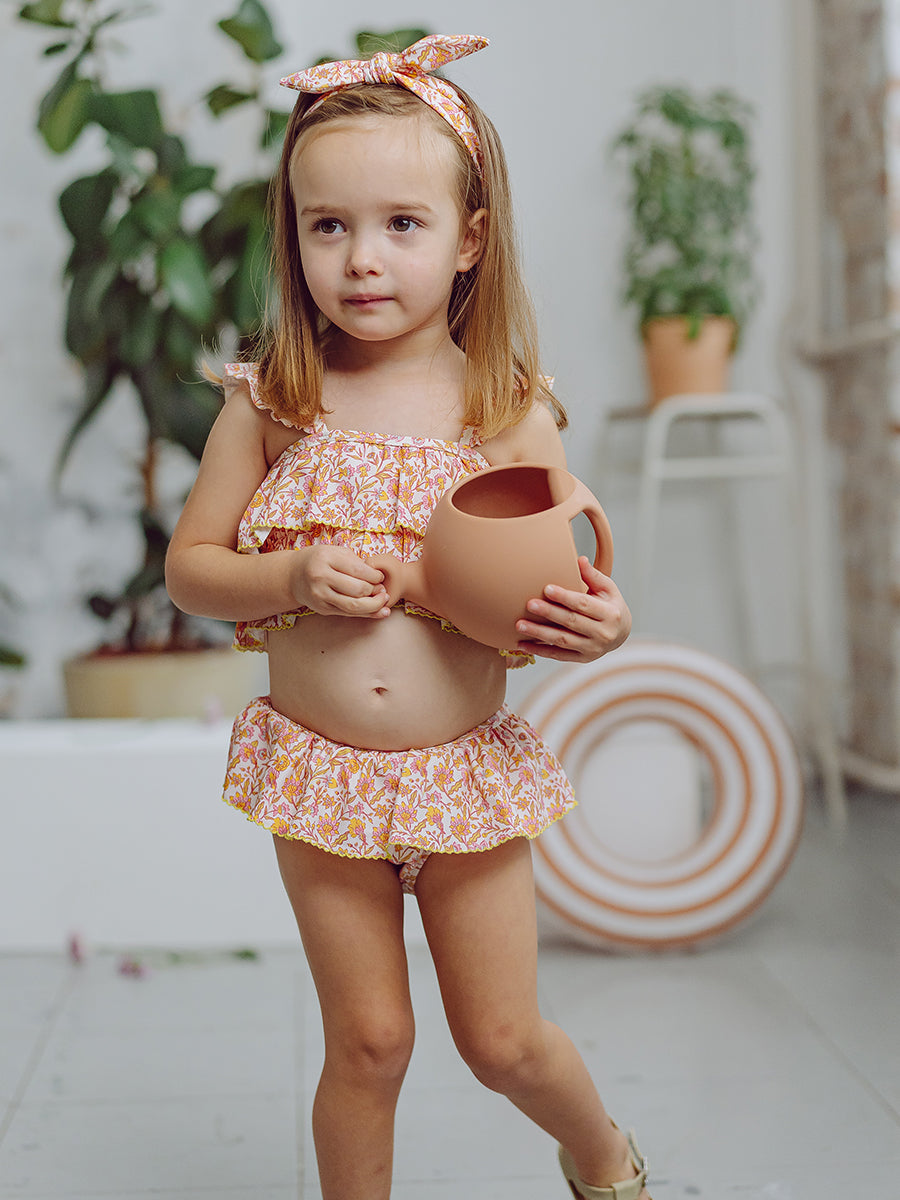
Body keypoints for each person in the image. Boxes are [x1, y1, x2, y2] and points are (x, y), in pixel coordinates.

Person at [165, 34, 649, 1200]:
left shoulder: (505, 411)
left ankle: (603, 1157)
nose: (362, 259)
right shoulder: (274, 402)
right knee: (370, 1043)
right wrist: (288, 578)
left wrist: (603, 625)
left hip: (461, 776)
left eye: (402, 224)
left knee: (503, 1041)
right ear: (293, 235)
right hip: (323, 776)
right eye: (327, 226)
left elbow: (560, 579)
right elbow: (192, 570)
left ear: (469, 239)